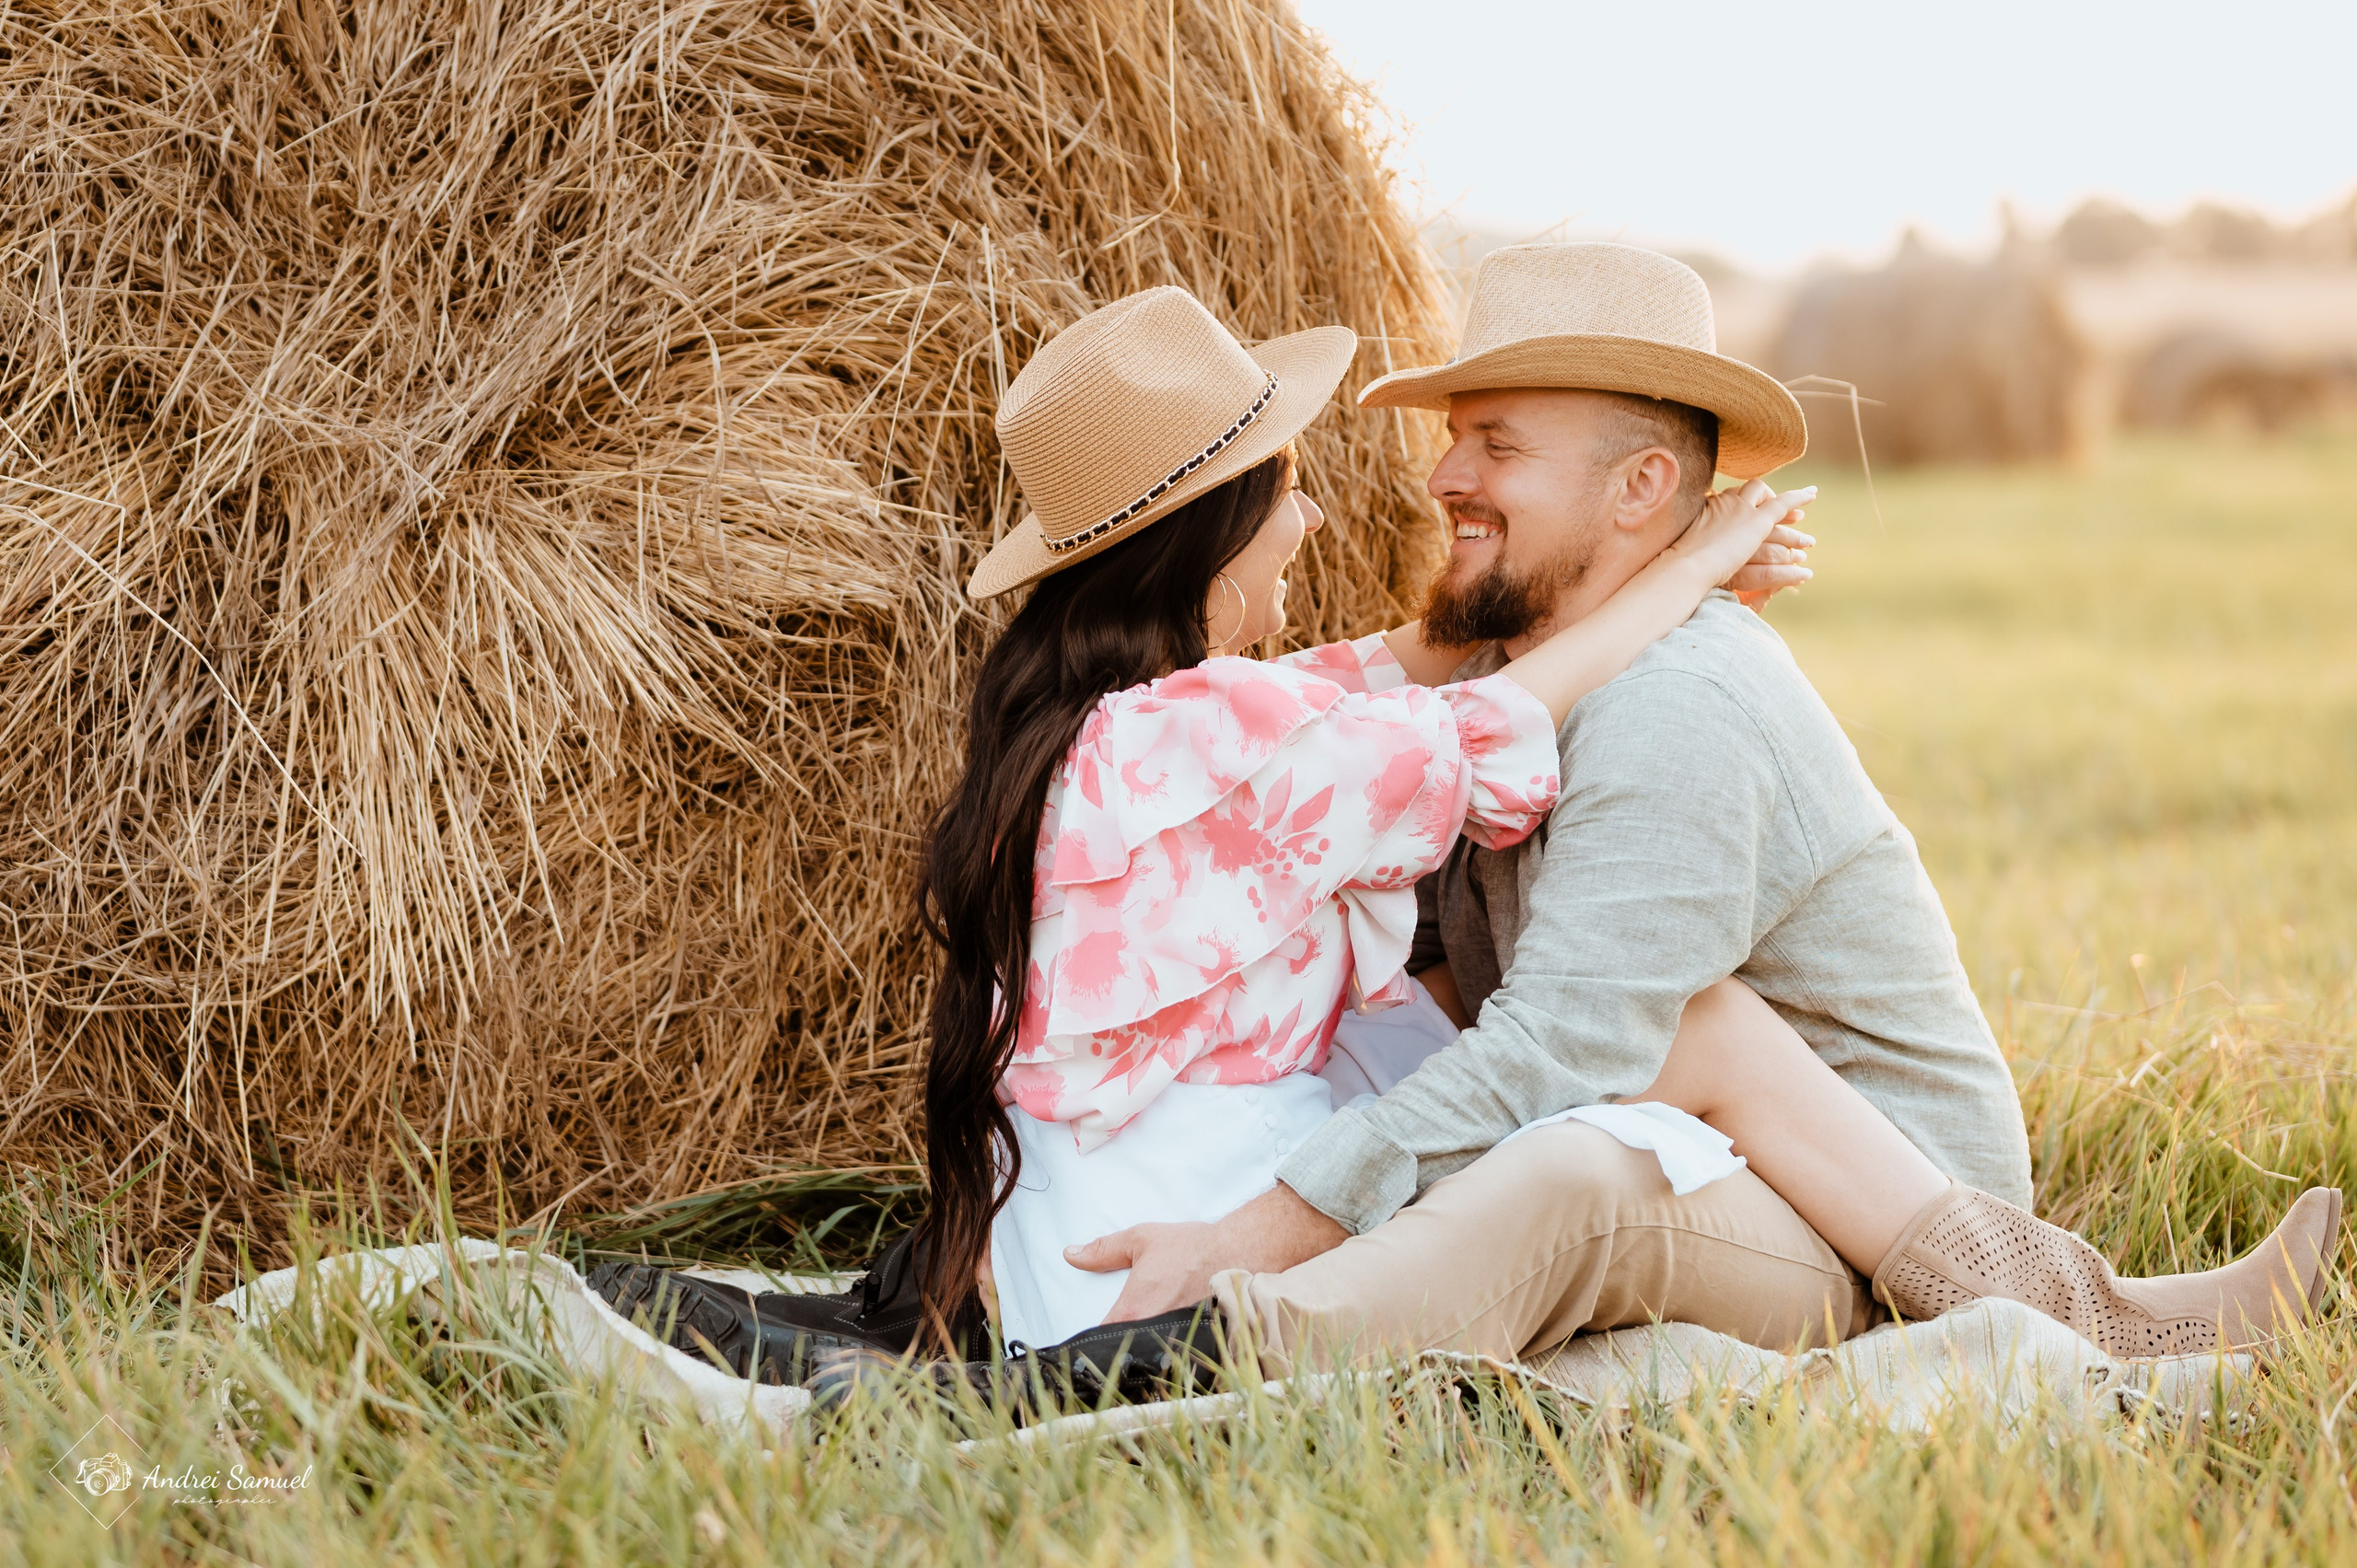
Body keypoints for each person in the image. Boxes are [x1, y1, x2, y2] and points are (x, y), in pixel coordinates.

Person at [597, 260, 2338, 1401]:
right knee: (1525, 1084)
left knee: (1611, 1089)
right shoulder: (1308, 709)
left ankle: (2071, 1319)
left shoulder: (1675, 704)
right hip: (1681, 1140)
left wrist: (1255, 1230)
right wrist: (1678, 571)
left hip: (1860, 1191)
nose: (1428, 479)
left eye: (1491, 441)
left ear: (1638, 490)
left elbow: (1575, 1038)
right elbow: (1425, 701)